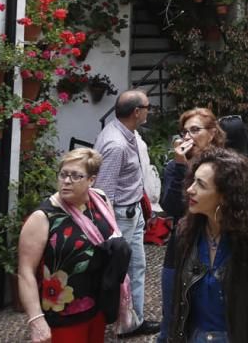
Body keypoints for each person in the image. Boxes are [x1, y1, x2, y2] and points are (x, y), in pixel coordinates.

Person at [159, 148, 248, 343]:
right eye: (193, 181)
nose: (190, 189)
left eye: (201, 184)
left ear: (225, 196)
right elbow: (176, 306)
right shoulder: (185, 233)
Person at [18, 148, 130, 343]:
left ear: (91, 180)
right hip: (63, 315)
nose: (67, 181)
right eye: (63, 174)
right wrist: (36, 320)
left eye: (76, 176)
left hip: (97, 307)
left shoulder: (100, 201)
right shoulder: (44, 217)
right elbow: (25, 271)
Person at [94, 90, 160, 338]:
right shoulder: (116, 144)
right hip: (122, 216)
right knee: (128, 269)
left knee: (136, 268)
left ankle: (131, 320)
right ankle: (126, 323)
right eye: (147, 107)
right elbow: (104, 191)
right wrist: (112, 231)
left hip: (131, 212)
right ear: (136, 112)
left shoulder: (124, 132)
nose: (149, 110)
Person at [160, 108, 226, 221]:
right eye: (185, 132)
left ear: (212, 134)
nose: (187, 137)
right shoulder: (174, 167)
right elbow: (172, 208)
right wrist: (180, 165)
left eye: (195, 130)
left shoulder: (224, 164)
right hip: (186, 232)